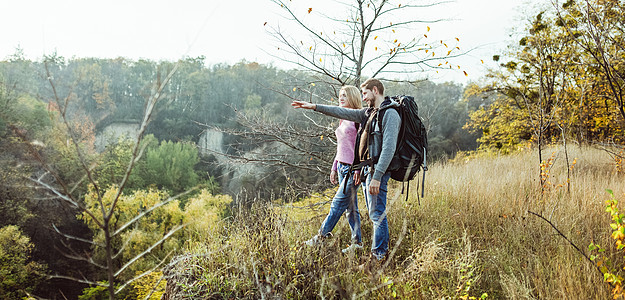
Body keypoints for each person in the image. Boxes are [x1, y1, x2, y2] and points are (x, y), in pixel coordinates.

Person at [292, 78, 400, 261]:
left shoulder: (390, 114)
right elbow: (340, 112)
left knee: (376, 214)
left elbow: (389, 148)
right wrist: (314, 107)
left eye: (365, 93)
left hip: (376, 173)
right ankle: (367, 248)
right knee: (371, 213)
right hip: (366, 171)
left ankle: (379, 255)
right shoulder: (369, 113)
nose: (363, 97)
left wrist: (377, 176)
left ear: (375, 90)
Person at [304, 85, 364, 254]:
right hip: (341, 167)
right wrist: (334, 167)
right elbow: (342, 146)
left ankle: (321, 237)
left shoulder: (358, 118)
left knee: (337, 205)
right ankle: (357, 243)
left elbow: (361, 148)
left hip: (353, 169)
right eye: (340, 95)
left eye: (345, 95)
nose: (341, 98)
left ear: (352, 97)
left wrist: (358, 170)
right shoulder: (343, 118)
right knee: (351, 209)